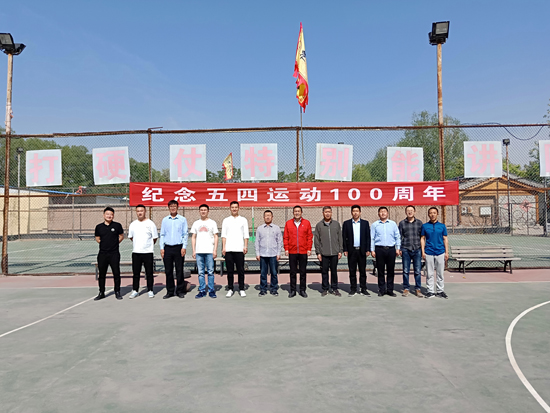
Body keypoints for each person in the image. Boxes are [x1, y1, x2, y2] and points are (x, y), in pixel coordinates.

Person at [159, 200, 188, 299]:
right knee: (168, 271)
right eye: (171, 206)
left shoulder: (182, 219)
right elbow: (162, 234)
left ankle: (180, 290)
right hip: (167, 248)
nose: (173, 208)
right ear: (168, 207)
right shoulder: (165, 220)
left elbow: (185, 234)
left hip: (178, 248)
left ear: (177, 207)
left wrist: (184, 247)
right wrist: (162, 248)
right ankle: (170, 291)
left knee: (179, 270)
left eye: (174, 206)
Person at [128, 204, 158, 299]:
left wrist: (147, 246)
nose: (140, 213)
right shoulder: (133, 224)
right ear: (136, 212)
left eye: (141, 211)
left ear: (145, 211)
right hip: (136, 252)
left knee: (149, 273)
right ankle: (135, 290)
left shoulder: (151, 224)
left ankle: (150, 290)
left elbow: (154, 238)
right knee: (136, 273)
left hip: (148, 252)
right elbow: (131, 237)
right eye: (138, 211)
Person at [94, 207, 124, 301]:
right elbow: (97, 238)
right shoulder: (99, 227)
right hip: (103, 254)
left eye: (111, 214)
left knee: (116, 273)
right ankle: (101, 292)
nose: (109, 216)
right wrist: (104, 244)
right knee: (102, 274)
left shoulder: (117, 225)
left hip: (114, 253)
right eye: (107, 214)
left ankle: (117, 292)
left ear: (113, 215)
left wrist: (114, 244)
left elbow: (121, 236)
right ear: (104, 215)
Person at [371, 206, 401, 297]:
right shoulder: (375, 225)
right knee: (380, 271)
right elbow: (372, 238)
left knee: (390, 271)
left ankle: (390, 289)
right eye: (381, 211)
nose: (383, 213)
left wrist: (398, 248)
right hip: (379, 249)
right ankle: (381, 289)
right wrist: (372, 250)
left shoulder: (393, 224)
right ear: (378, 214)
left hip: (391, 249)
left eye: (384, 211)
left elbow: (397, 236)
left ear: (387, 213)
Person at [283, 205, 313, 298]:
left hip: (303, 251)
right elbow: (286, 237)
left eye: (298, 211)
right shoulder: (288, 223)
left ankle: (302, 290)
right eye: (295, 211)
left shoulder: (306, 223)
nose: (297, 213)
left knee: (303, 272)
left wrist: (309, 249)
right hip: (292, 251)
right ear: (293, 213)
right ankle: (293, 290)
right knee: (293, 272)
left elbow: (309, 237)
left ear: (301, 212)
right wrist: (286, 249)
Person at [221, 201, 249, 298]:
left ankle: (241, 289)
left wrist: (245, 246)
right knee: (230, 271)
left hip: (239, 249)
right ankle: (230, 289)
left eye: (236, 207)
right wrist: (224, 247)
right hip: (229, 249)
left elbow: (246, 235)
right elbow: (223, 235)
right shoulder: (226, 220)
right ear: (230, 208)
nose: (234, 209)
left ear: (238, 208)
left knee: (241, 270)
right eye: (232, 207)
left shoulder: (243, 220)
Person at [191, 204, 219, 299]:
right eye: (201, 210)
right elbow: (193, 237)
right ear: (199, 211)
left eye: (205, 210)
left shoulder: (212, 223)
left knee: (210, 271)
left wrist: (215, 250)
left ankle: (211, 290)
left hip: (209, 251)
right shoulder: (196, 223)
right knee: (201, 272)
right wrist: (194, 250)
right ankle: (202, 290)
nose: (203, 211)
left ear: (208, 211)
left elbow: (216, 236)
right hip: (199, 251)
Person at [342, 205, 371, 296]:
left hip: (362, 251)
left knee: (363, 271)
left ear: (360, 212)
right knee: (352, 271)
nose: (355, 213)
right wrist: (345, 249)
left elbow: (368, 237)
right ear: (351, 212)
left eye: (357, 211)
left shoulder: (365, 223)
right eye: (354, 211)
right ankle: (353, 289)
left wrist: (368, 249)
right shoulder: (346, 223)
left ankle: (363, 289)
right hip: (352, 251)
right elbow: (344, 237)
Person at [314, 206, 343, 297]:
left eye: (329, 212)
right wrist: (318, 252)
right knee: (324, 272)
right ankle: (325, 288)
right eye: (326, 212)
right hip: (324, 253)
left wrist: (340, 250)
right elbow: (317, 240)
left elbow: (340, 238)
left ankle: (334, 288)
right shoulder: (319, 225)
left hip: (334, 252)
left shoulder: (336, 224)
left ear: (331, 213)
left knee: (334, 271)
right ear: (323, 213)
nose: (327, 213)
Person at [421, 207, 449, 299]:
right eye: (430, 213)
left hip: (440, 252)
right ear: (428, 214)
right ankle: (430, 291)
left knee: (440, 273)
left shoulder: (442, 226)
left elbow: (445, 239)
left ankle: (440, 291)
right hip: (429, 252)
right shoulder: (425, 226)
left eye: (434, 213)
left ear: (437, 214)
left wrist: (446, 252)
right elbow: (422, 239)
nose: (432, 214)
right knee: (429, 273)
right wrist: (423, 252)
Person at [255, 210, 283, 296]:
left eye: (269, 215)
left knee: (274, 273)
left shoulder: (276, 228)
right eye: (266, 216)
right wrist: (257, 253)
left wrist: (278, 253)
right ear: (263, 217)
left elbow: (279, 241)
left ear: (272, 217)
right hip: (263, 254)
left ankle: (274, 289)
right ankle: (263, 289)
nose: (267, 217)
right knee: (263, 273)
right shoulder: (259, 228)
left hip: (273, 254)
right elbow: (257, 241)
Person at [398, 205, 424, 298]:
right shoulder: (402, 223)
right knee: (405, 270)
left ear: (414, 212)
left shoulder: (419, 223)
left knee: (417, 271)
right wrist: (399, 248)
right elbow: (399, 237)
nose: (410, 212)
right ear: (406, 212)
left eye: (411, 210)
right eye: (408, 210)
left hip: (417, 249)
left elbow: (422, 237)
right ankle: (406, 288)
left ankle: (418, 289)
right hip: (406, 249)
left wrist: (422, 249)